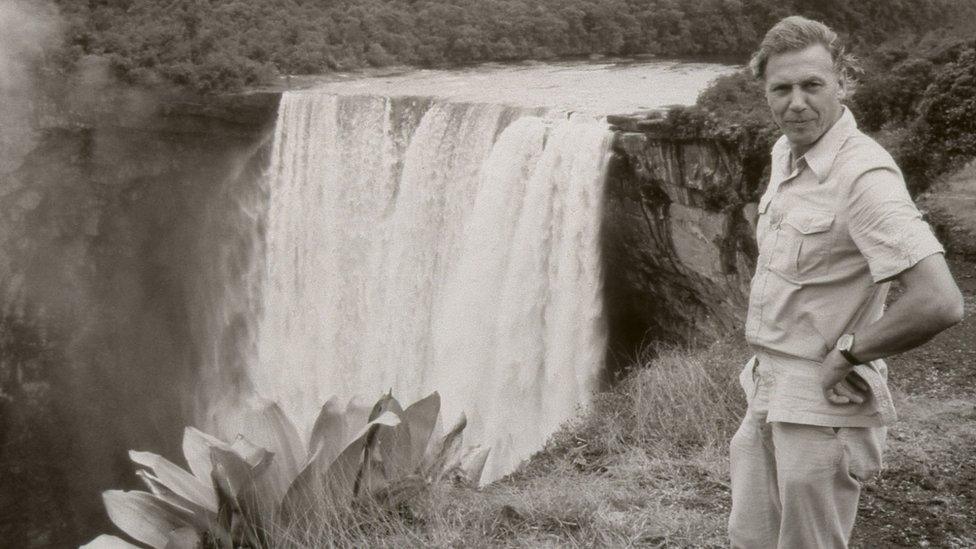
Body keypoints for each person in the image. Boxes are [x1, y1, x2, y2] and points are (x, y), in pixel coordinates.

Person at [729, 15, 965, 548]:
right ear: (764, 92)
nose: (796, 102)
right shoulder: (787, 153)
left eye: (812, 85)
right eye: (781, 88)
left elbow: (939, 301)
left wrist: (849, 353)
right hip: (767, 381)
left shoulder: (863, 176)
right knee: (751, 538)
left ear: (842, 83)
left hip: (821, 399)